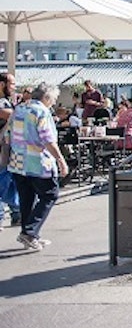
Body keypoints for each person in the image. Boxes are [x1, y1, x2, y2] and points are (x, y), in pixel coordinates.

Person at [7, 82, 69, 251]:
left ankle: (29, 234)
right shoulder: (42, 111)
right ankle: (30, 232)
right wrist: (61, 160)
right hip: (38, 162)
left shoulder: (18, 109)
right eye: (54, 98)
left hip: (18, 162)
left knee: (26, 199)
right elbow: (48, 140)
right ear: (46, 97)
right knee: (50, 195)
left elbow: (7, 134)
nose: (54, 102)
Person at [0, 72, 21, 229]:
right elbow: (10, 115)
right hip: (2, 151)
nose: (14, 87)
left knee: (12, 181)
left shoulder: (7, 101)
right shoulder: (1, 103)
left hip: (8, 150)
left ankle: (17, 213)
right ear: (2, 85)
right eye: (12, 84)